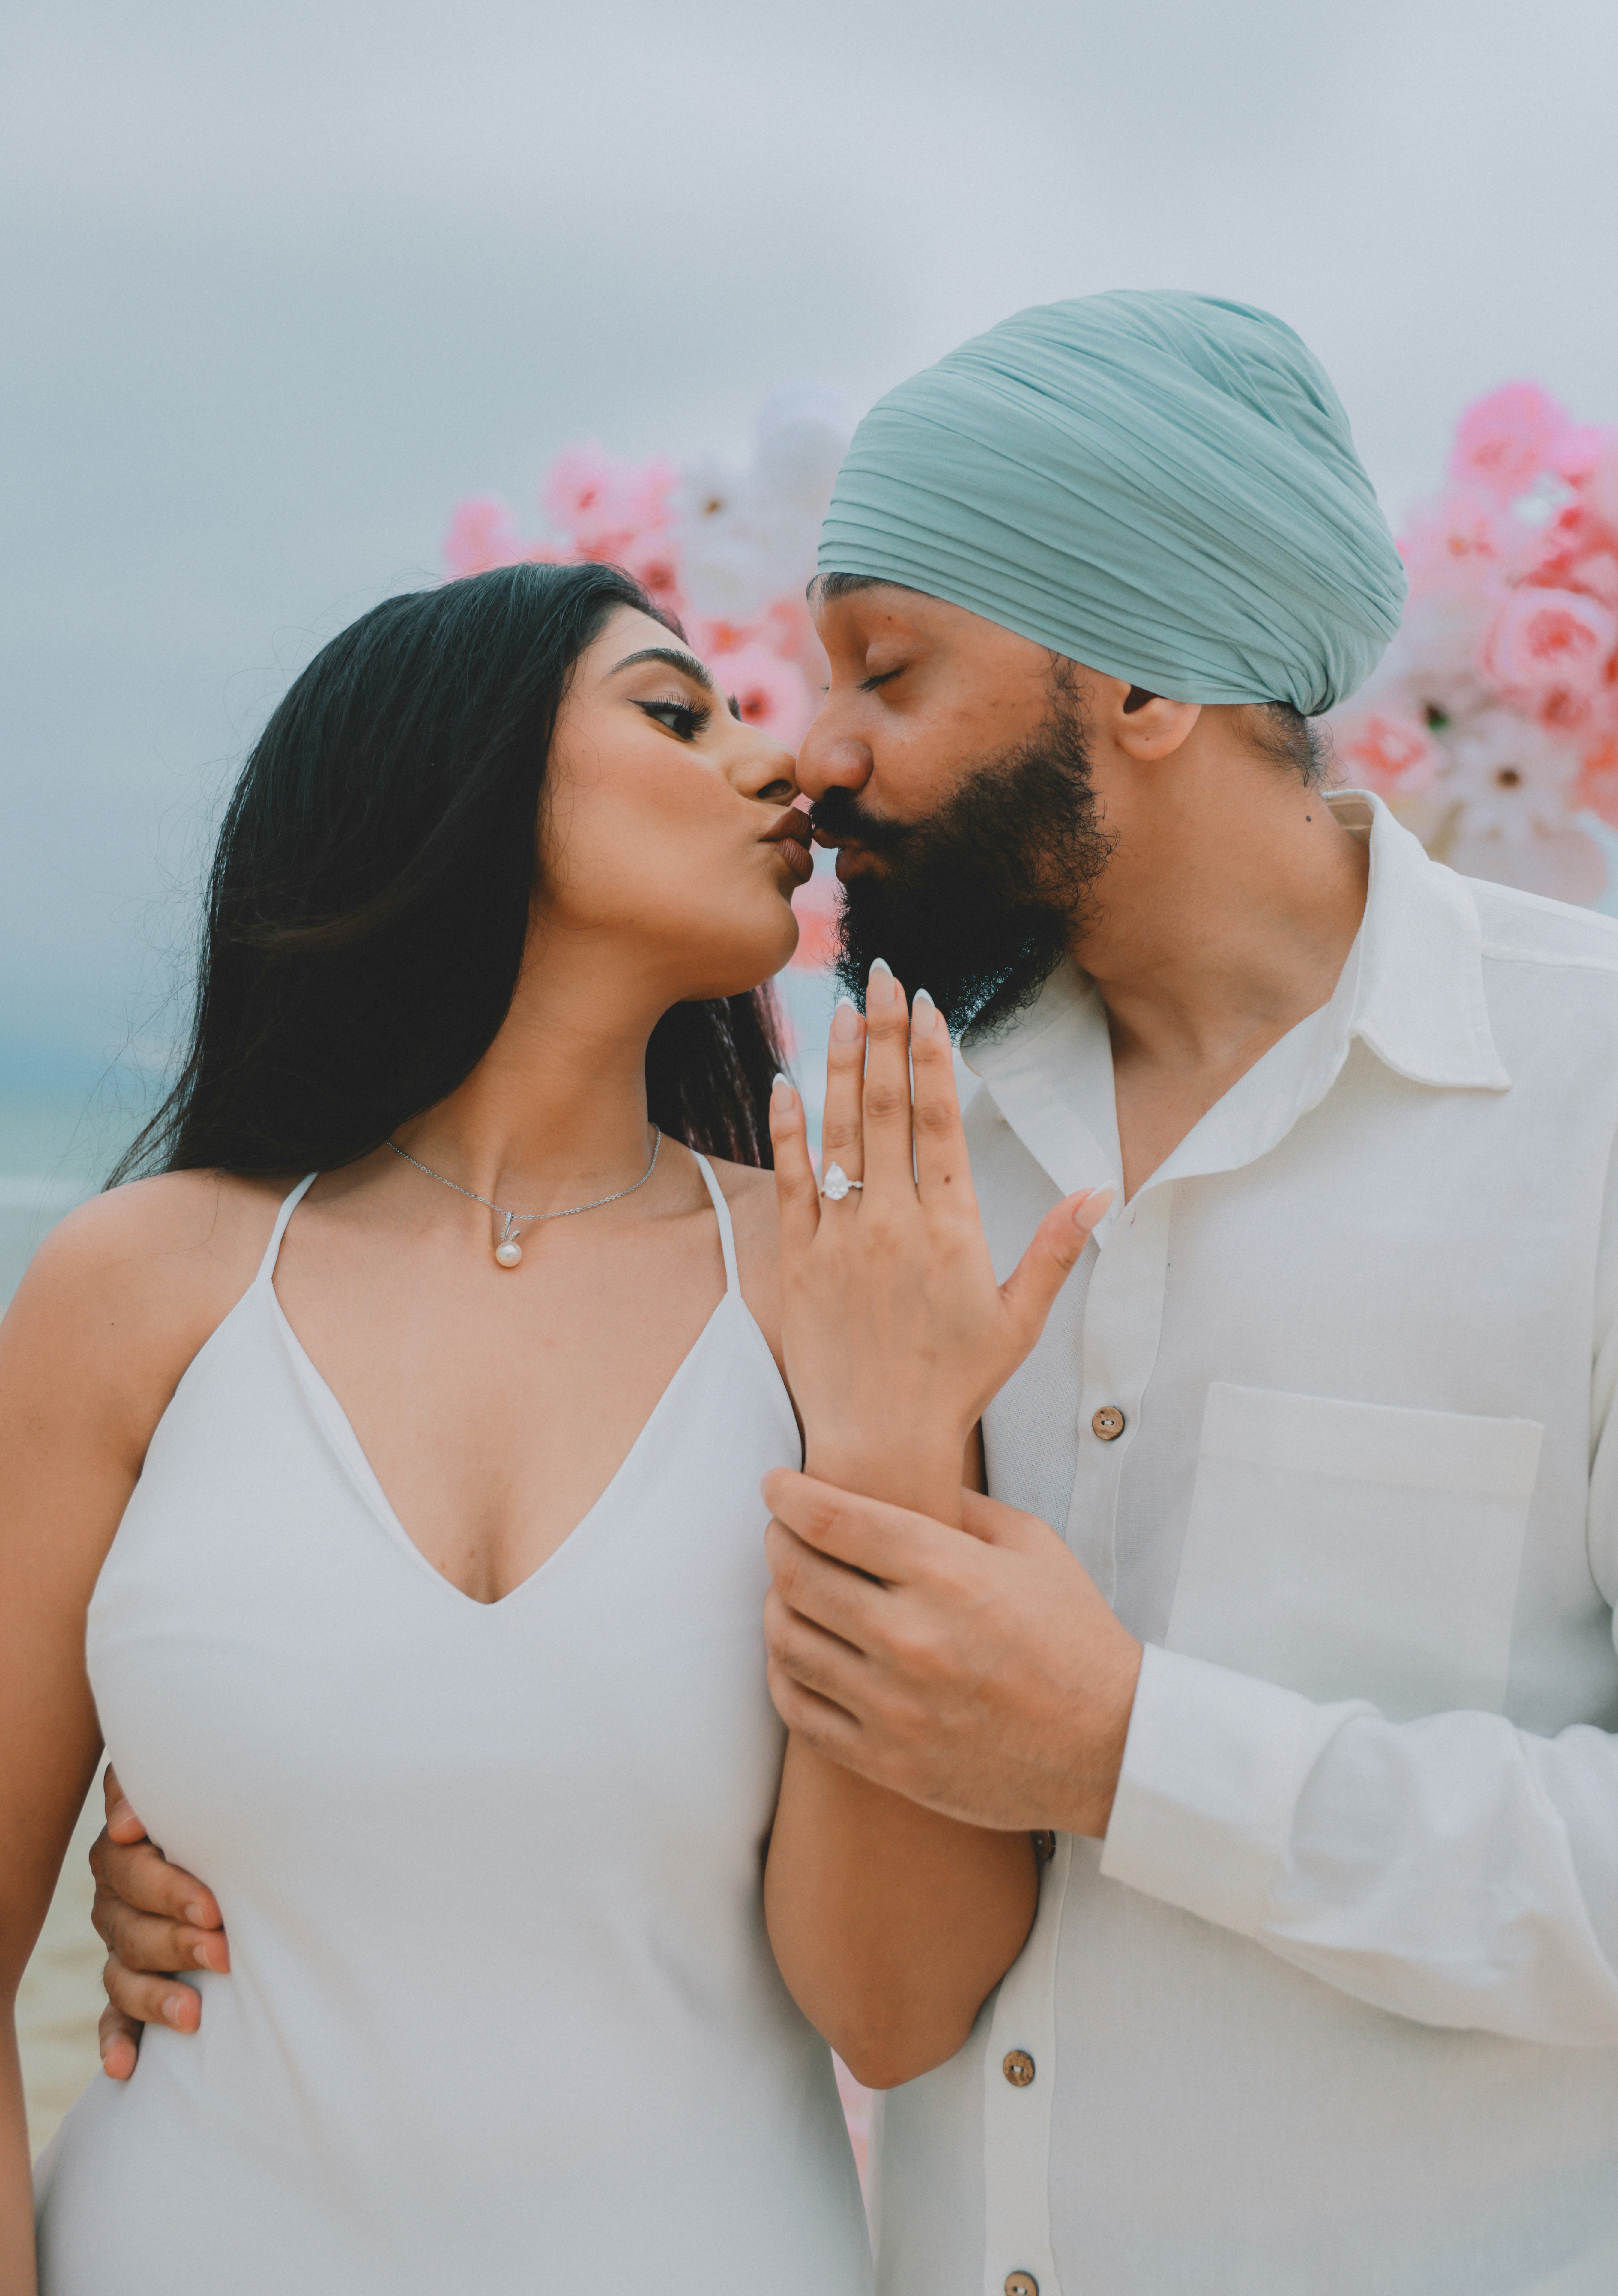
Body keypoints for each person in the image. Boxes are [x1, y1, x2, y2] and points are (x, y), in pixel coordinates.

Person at [96, 289, 1618, 2292]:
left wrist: (1124, 1749)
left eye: (886, 672)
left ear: (1145, 686)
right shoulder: (868, 1164)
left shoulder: (1584, 1109)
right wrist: (308, 1846)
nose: (811, 751)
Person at [5, 557, 1098, 2295]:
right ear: (452, 783)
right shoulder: (139, 1288)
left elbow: (892, 2012)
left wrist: (885, 1452)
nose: (778, 769)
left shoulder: (835, 1288)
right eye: (677, 714)